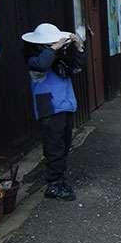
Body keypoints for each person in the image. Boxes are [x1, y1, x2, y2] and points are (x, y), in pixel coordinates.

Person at [22, 23, 86, 201]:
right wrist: (54, 48)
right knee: (54, 147)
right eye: (50, 42)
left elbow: (77, 67)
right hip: (49, 107)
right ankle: (54, 184)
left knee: (64, 144)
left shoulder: (58, 57)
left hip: (65, 104)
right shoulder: (34, 58)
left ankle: (59, 180)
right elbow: (42, 64)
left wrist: (78, 46)